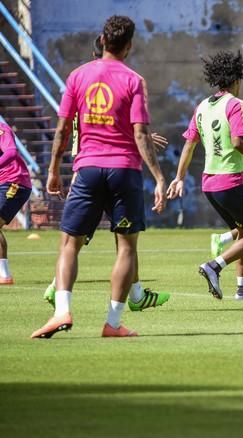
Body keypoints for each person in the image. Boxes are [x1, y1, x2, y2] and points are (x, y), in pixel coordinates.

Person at [31, 15, 166, 339]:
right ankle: (113, 323)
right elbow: (140, 133)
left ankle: (62, 311)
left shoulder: (78, 76)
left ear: (103, 41)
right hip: (124, 170)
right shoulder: (134, 80)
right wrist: (159, 177)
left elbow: (63, 129)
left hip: (87, 168)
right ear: (129, 46)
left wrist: (53, 171)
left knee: (69, 244)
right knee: (126, 247)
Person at [167, 50, 243, 300]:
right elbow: (238, 142)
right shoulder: (236, 105)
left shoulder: (203, 106)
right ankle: (214, 266)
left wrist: (179, 177)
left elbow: (189, 144)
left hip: (210, 185)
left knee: (242, 232)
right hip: (231, 182)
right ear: (237, 79)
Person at [0, 122, 33, 284]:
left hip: (14, 181)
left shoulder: (1, 128)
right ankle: (4, 275)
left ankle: (4, 275)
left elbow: (12, 152)